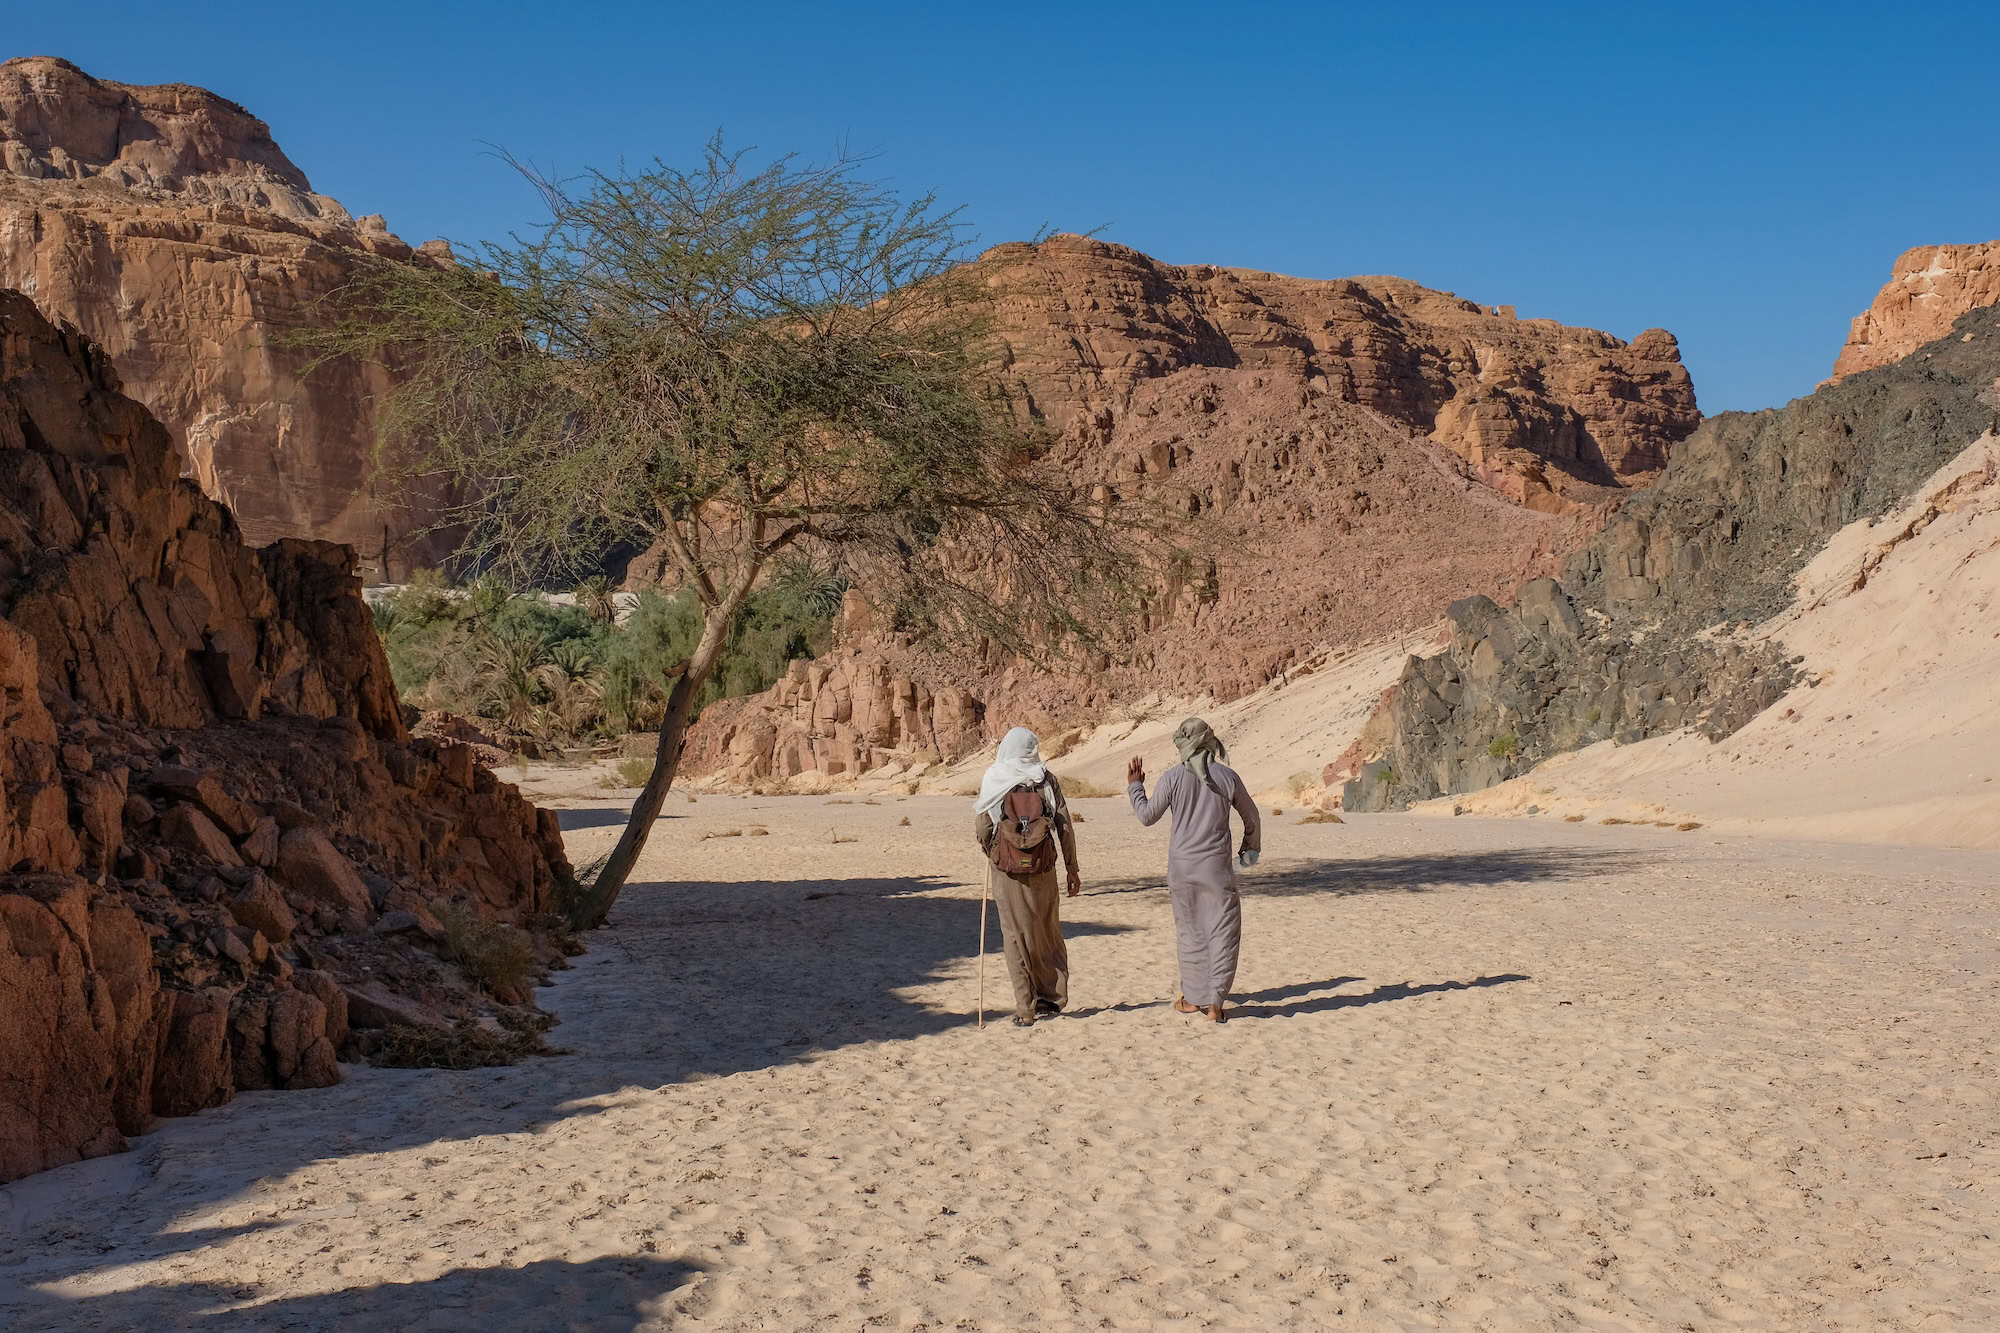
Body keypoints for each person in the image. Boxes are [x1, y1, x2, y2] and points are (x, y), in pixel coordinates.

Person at [1126, 717, 1262, 1023]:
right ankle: (1214, 1004)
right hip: (1216, 870)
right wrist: (1249, 852)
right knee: (1222, 932)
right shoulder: (1227, 777)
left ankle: (1191, 998)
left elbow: (1147, 815)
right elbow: (1251, 816)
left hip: (1181, 871)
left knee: (1190, 933)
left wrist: (1135, 786)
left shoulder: (1172, 778)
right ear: (1208, 741)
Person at [973, 727, 1082, 1027]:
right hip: (1044, 866)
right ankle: (1052, 997)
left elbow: (983, 826)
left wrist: (991, 852)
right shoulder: (1045, 779)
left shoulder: (995, 777)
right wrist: (1072, 868)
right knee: (1047, 929)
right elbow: (1064, 825)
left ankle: (1025, 1008)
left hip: (1008, 870)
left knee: (1015, 935)